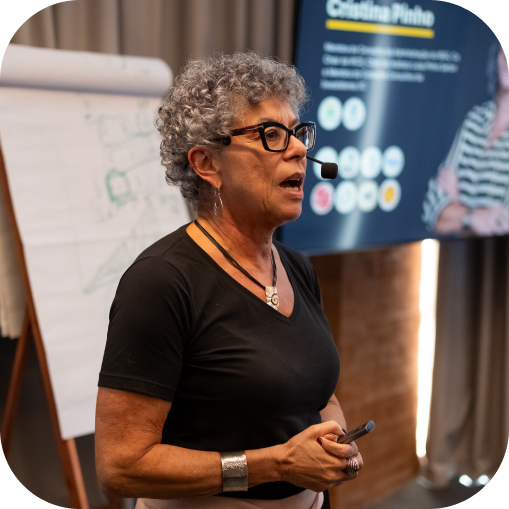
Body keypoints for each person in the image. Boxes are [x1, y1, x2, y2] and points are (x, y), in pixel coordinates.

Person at [95, 52, 363, 509]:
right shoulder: (160, 282)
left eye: (297, 133)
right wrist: (276, 465)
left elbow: (317, 393)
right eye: (271, 135)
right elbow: (120, 467)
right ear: (207, 164)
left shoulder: (297, 267)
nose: (299, 150)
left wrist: (335, 442)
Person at [422, 42, 509, 235]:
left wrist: (455, 205)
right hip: (454, 253)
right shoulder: (475, 119)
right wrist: (475, 218)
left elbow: (501, 226)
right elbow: (432, 208)